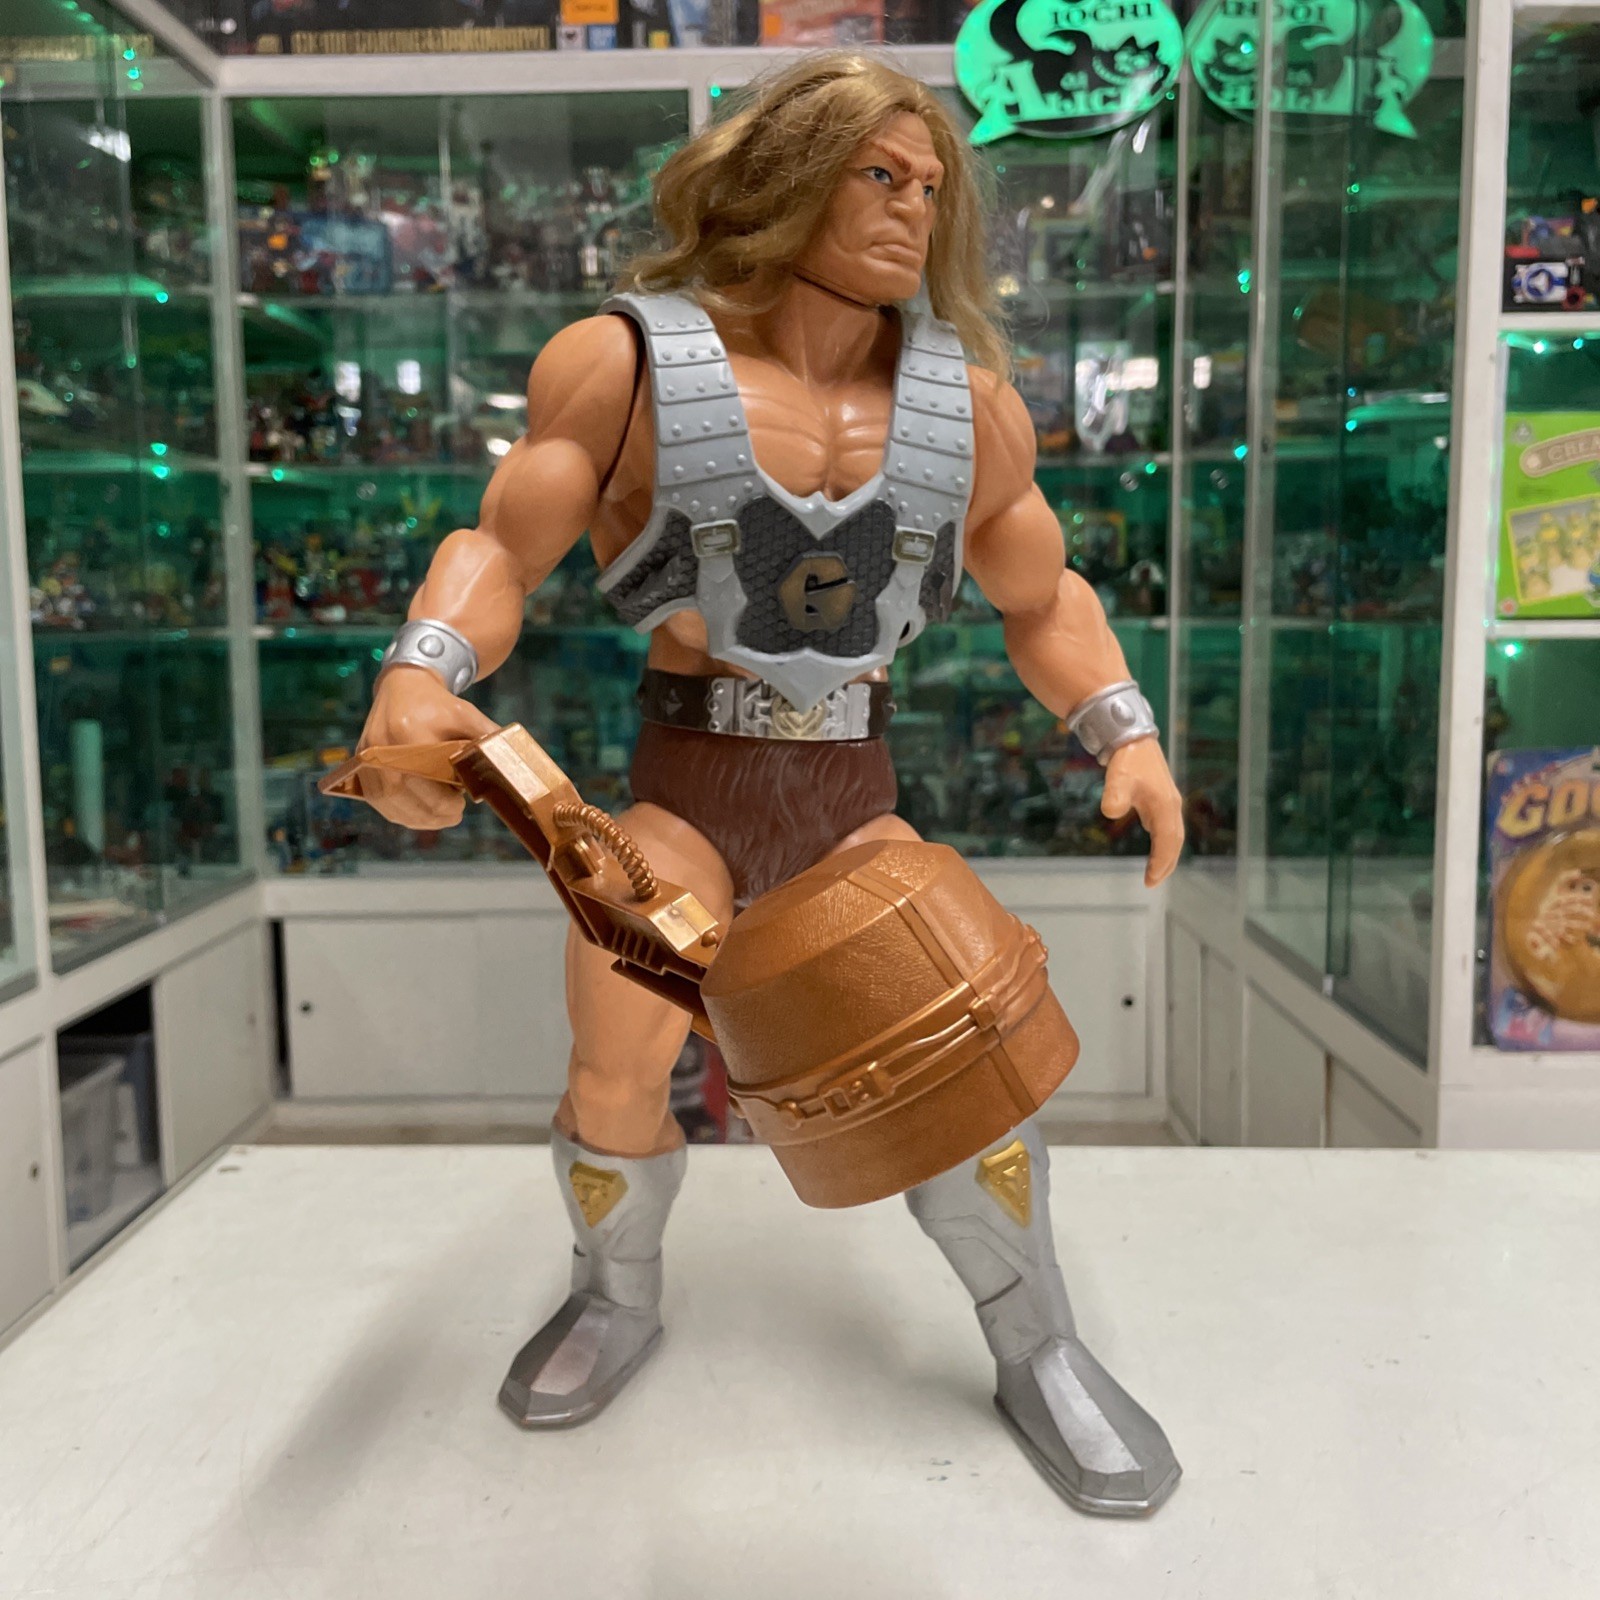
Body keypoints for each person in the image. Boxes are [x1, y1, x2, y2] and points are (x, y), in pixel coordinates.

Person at [356, 52, 1185, 1515]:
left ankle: (1040, 1346)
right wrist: (421, 676)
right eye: (879, 173)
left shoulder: (966, 403)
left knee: (968, 1081)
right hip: (682, 792)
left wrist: (1125, 730)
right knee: (614, 1066)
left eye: (929, 183)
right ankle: (612, 1294)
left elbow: (1043, 595)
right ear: (787, 176)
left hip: (847, 801)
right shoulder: (622, 362)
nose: (913, 206)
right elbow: (498, 546)